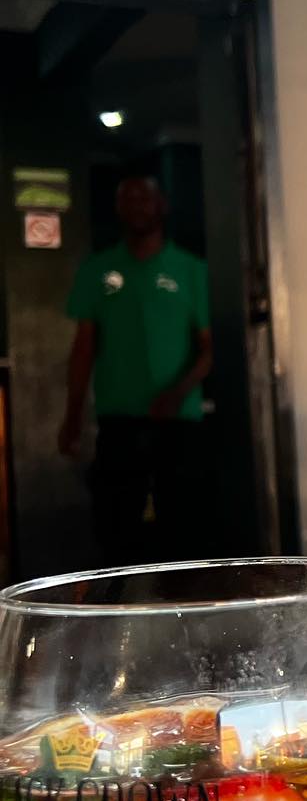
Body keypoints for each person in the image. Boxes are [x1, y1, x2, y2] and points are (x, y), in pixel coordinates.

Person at [58, 177, 213, 565]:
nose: (137, 205)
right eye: (127, 198)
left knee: (183, 529)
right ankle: (119, 601)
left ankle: (181, 599)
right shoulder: (97, 270)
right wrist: (73, 414)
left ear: (162, 205)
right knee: (115, 530)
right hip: (119, 424)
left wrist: (178, 392)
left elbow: (210, 349)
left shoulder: (191, 270)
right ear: (118, 208)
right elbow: (84, 348)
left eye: (145, 197)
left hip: (177, 423)